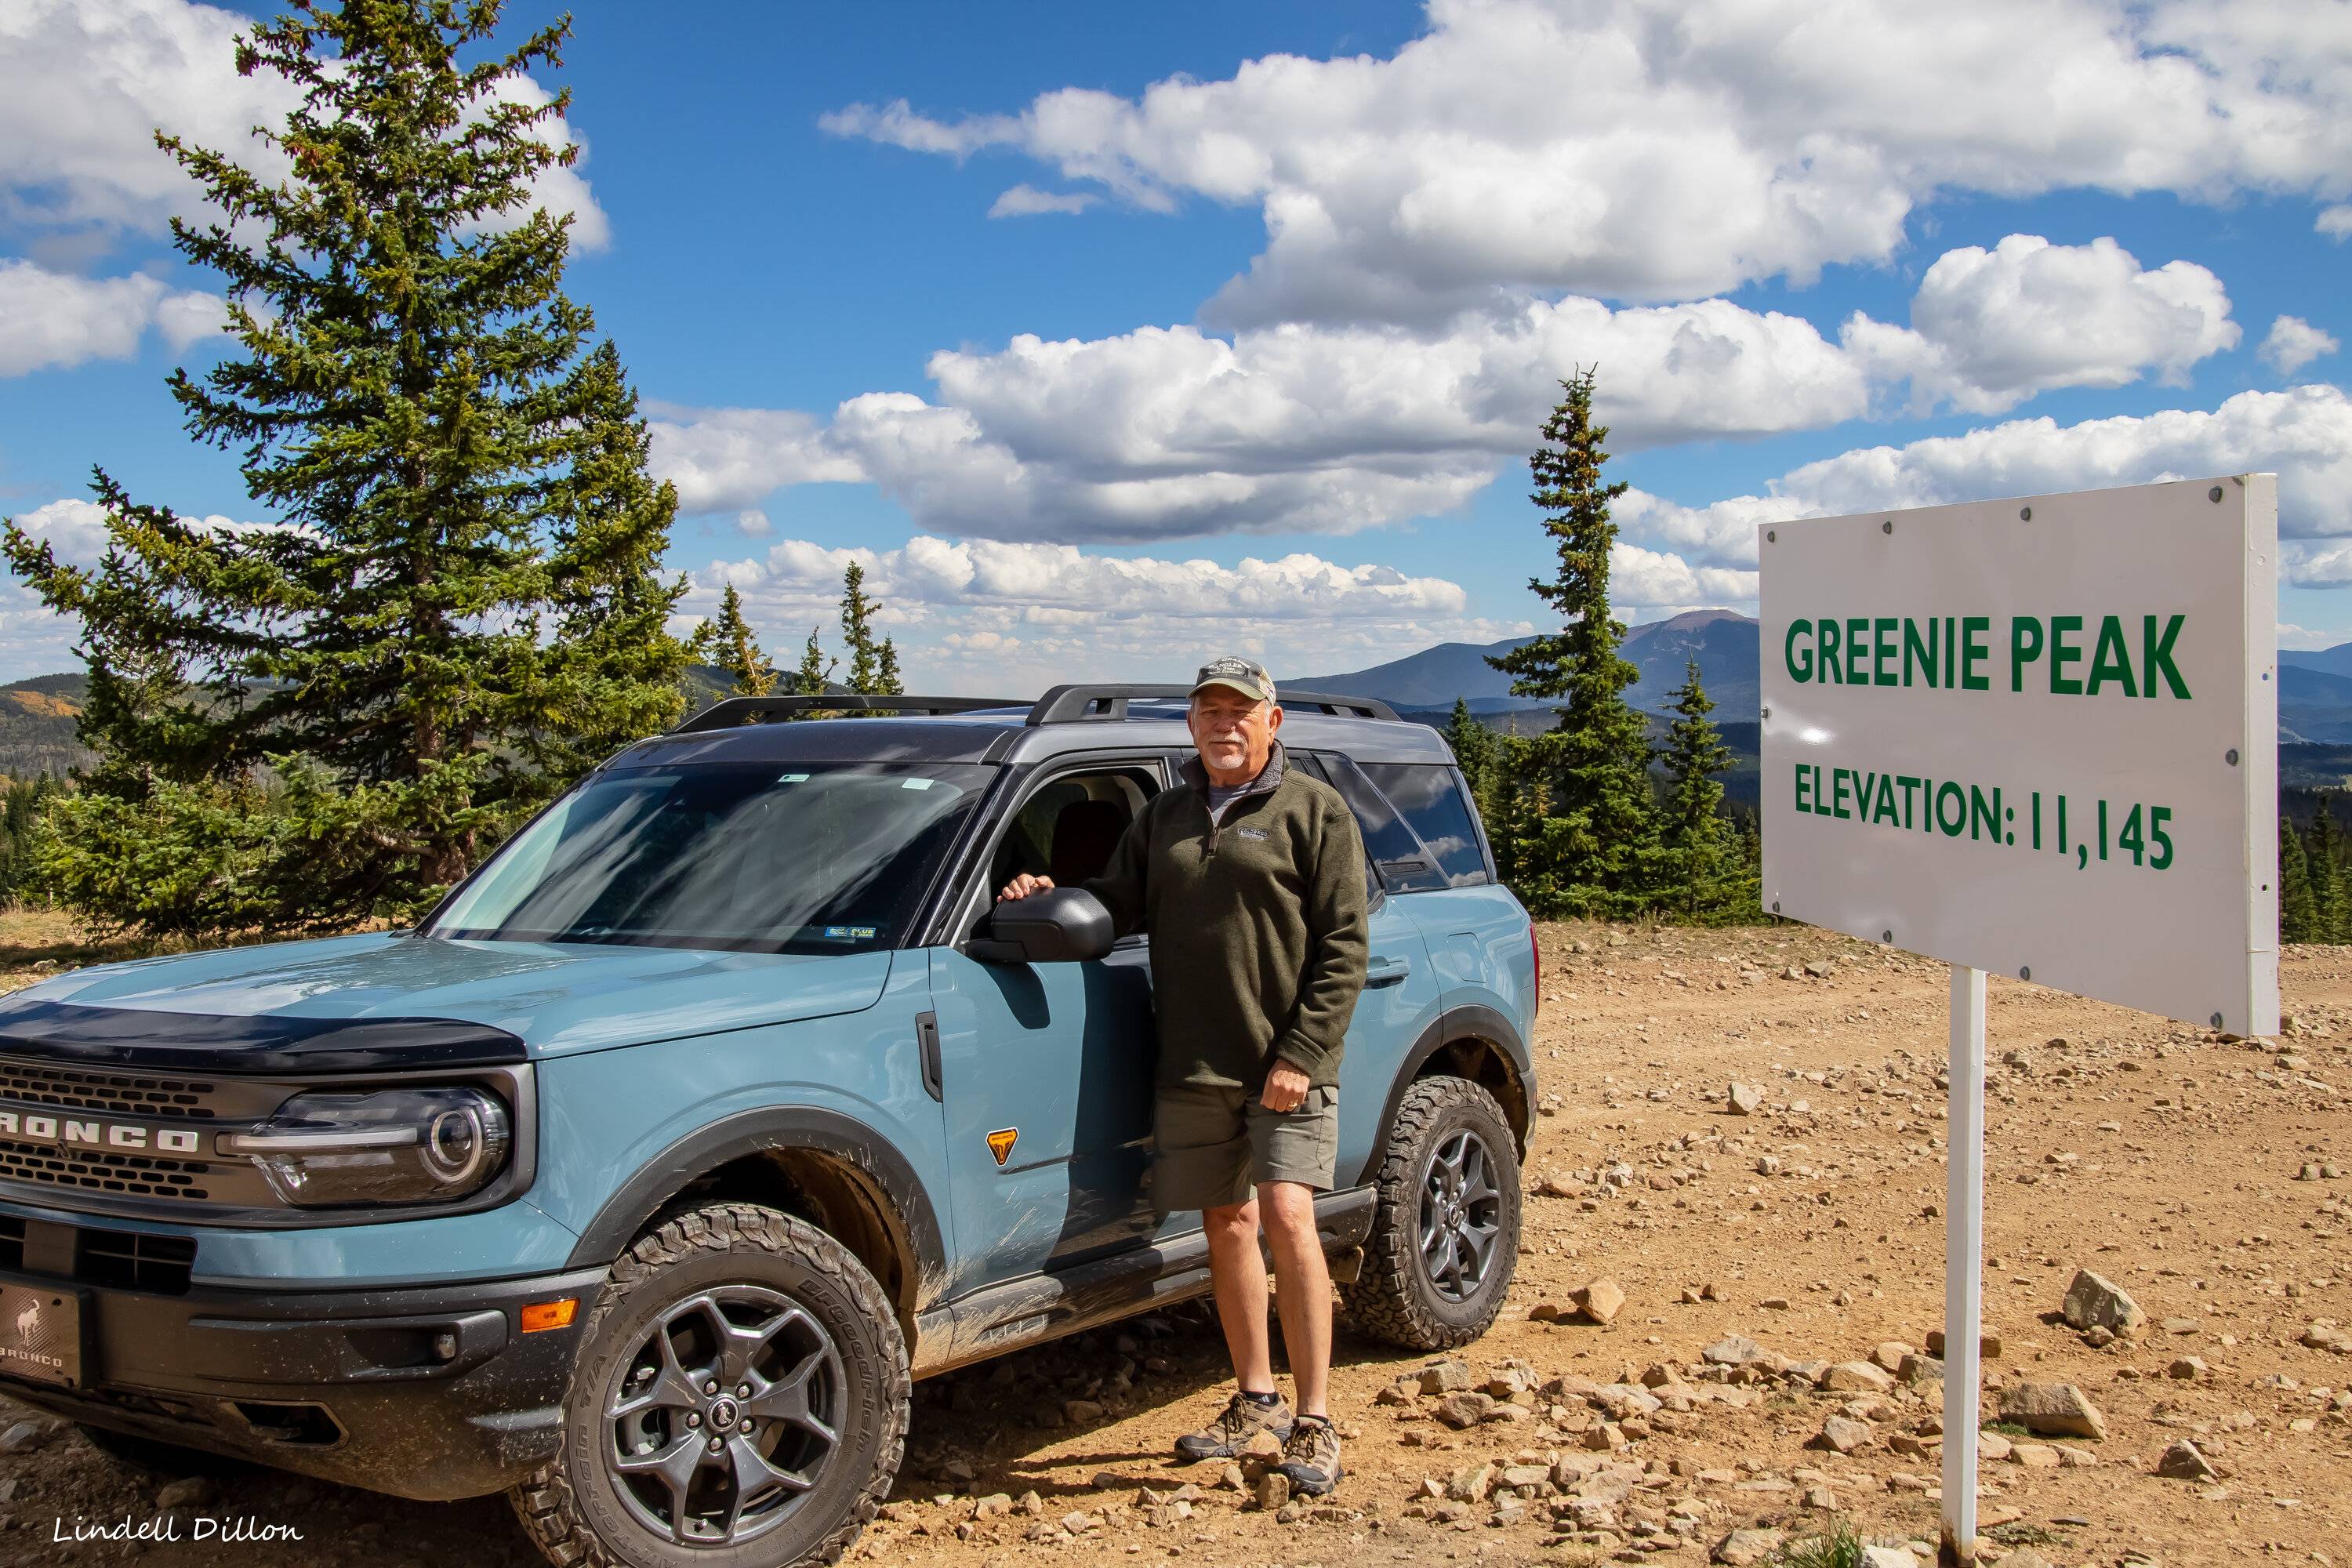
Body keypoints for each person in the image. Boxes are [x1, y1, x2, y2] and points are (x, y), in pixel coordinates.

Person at [996, 656, 1368, 1497]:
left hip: (1286, 1067)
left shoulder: (1315, 810)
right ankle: (1255, 1396)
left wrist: (1301, 1055)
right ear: (1192, 724)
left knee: (1287, 1216)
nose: (1224, 724)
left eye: (1242, 711)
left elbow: (1345, 947)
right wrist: (1049, 891)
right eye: (1209, 710)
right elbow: (1116, 901)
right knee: (1227, 1225)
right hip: (1193, 1059)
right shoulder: (1165, 814)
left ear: (1274, 722)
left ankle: (1315, 1417)